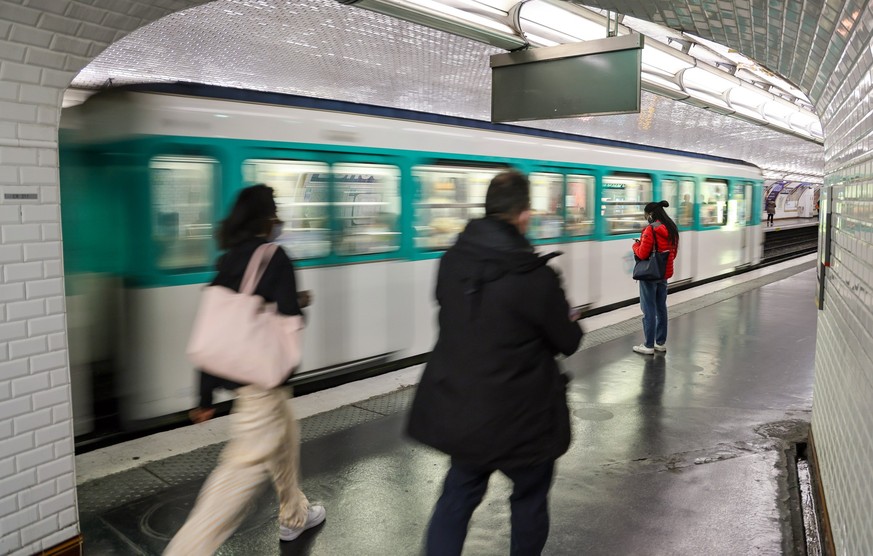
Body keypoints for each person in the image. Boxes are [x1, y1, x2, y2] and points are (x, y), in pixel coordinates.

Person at [407, 171, 584, 556]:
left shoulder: (451, 262)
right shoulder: (536, 276)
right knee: (530, 498)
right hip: (525, 419)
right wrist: (566, 315)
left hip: (466, 410)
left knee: (457, 497)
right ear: (523, 215)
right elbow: (569, 341)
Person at [165, 185, 324, 555]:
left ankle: (294, 515)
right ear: (267, 218)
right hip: (262, 388)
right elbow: (288, 317)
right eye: (275, 212)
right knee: (235, 480)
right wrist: (300, 303)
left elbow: (217, 329)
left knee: (285, 438)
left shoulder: (228, 258)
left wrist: (203, 397)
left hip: (251, 387)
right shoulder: (275, 256)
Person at [631, 200, 679, 355]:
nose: (646, 218)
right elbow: (673, 254)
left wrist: (635, 245)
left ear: (651, 214)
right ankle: (660, 343)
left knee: (648, 309)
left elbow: (643, 253)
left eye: (646, 215)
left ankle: (648, 345)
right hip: (663, 273)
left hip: (649, 274)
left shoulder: (650, 230)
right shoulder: (671, 228)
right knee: (661, 307)